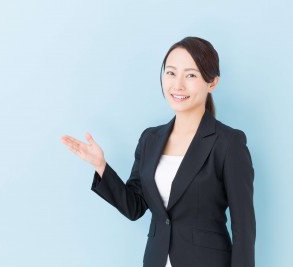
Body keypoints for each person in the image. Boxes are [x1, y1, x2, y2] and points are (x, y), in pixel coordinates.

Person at [61, 37, 256, 267]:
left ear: (212, 83)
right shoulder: (150, 140)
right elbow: (134, 207)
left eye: (190, 75)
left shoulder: (228, 143)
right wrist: (101, 167)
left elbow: (244, 230)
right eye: (171, 73)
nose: (178, 85)